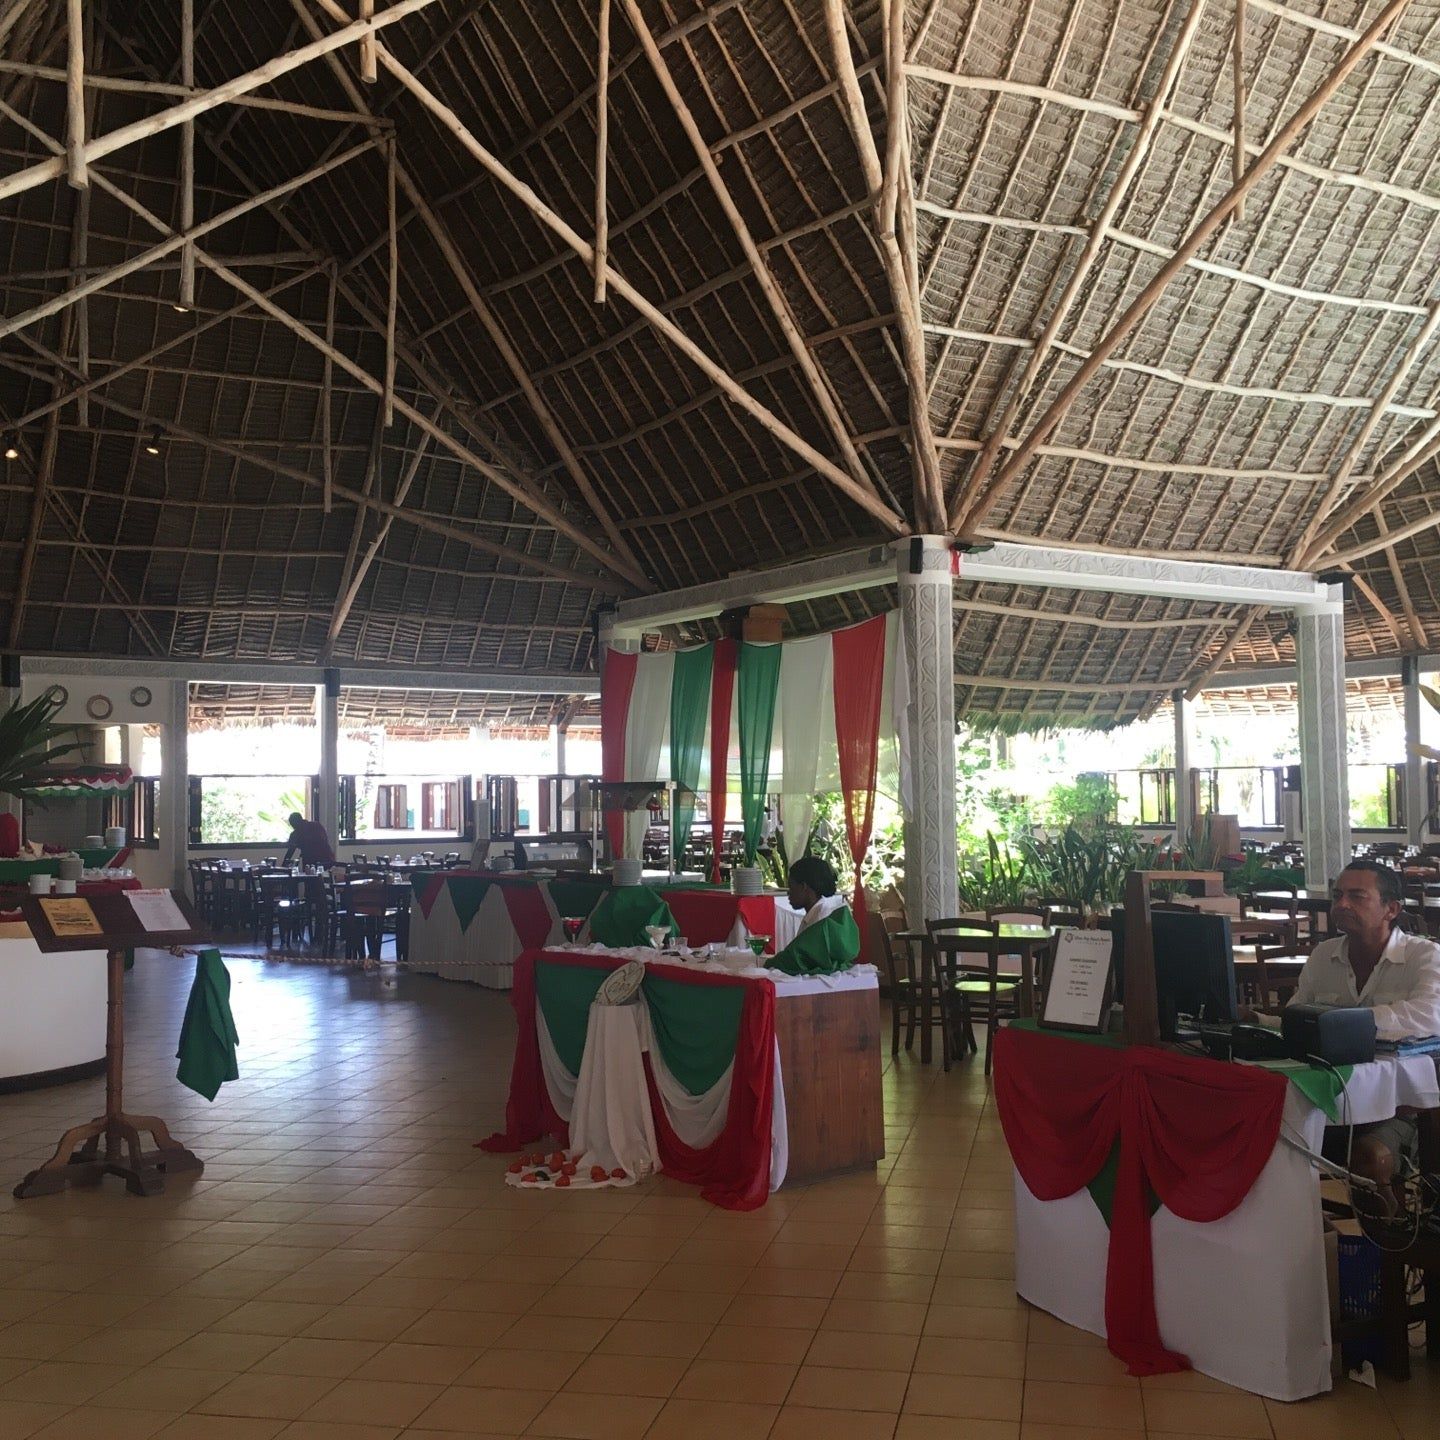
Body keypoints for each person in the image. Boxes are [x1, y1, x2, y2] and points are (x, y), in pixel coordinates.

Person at [1282, 860, 1440, 1195]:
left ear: (1391, 909)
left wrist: (1347, 1026)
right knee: (1266, 1134)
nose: (1341, 905)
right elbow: (1297, 1012)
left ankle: (1382, 1243)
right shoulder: (1323, 956)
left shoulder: (1424, 956)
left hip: (1402, 1103)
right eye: (1338, 895)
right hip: (1328, 1098)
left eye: (1357, 896)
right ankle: (1301, 1235)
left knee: (1370, 1156)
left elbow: (1430, 1014)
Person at [768, 855, 860, 976]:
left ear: (804, 887)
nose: (788, 893)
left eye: (791, 886)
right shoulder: (817, 913)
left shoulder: (822, 921)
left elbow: (799, 961)